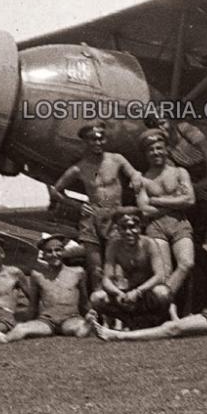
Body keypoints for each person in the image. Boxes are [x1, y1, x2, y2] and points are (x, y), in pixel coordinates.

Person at [50, 121, 143, 292]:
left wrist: (136, 178)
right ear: (86, 141)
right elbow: (55, 191)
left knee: (118, 266)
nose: (98, 142)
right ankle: (98, 304)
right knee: (96, 269)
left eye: (101, 138)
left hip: (115, 219)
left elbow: (134, 174)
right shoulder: (79, 168)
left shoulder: (117, 159)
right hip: (92, 219)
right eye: (93, 139)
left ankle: (121, 302)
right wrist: (77, 205)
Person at [0, 235, 93, 343]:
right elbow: (33, 305)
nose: (54, 254)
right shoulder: (37, 275)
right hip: (47, 320)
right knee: (21, 328)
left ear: (64, 251)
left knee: (79, 328)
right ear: (43, 255)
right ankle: (3, 338)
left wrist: (90, 314)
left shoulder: (78, 272)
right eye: (49, 251)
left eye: (58, 250)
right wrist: (24, 321)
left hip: (71, 318)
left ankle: (85, 327)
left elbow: (84, 301)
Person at [135, 128, 197, 300]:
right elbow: (144, 211)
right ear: (146, 154)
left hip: (179, 224)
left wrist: (156, 200)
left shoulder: (180, 172)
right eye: (151, 150)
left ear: (166, 149)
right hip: (156, 227)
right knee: (163, 272)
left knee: (186, 263)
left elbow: (190, 200)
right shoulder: (142, 180)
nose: (156, 152)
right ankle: (165, 307)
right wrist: (175, 202)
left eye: (159, 148)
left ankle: (159, 302)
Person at [144, 115, 207, 245]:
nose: (161, 128)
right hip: (189, 174)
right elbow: (170, 166)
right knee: (189, 209)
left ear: (169, 120)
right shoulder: (162, 143)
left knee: (204, 207)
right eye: (155, 126)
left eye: (162, 123)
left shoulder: (185, 128)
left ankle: (197, 243)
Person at [89, 213, 171, 324]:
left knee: (163, 293)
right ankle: (127, 320)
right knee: (97, 298)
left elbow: (159, 276)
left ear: (139, 227)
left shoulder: (149, 244)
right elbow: (106, 279)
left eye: (132, 227)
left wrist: (138, 291)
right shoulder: (114, 246)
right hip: (126, 292)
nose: (128, 232)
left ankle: (154, 321)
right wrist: (118, 293)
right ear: (118, 229)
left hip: (146, 291)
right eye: (123, 228)